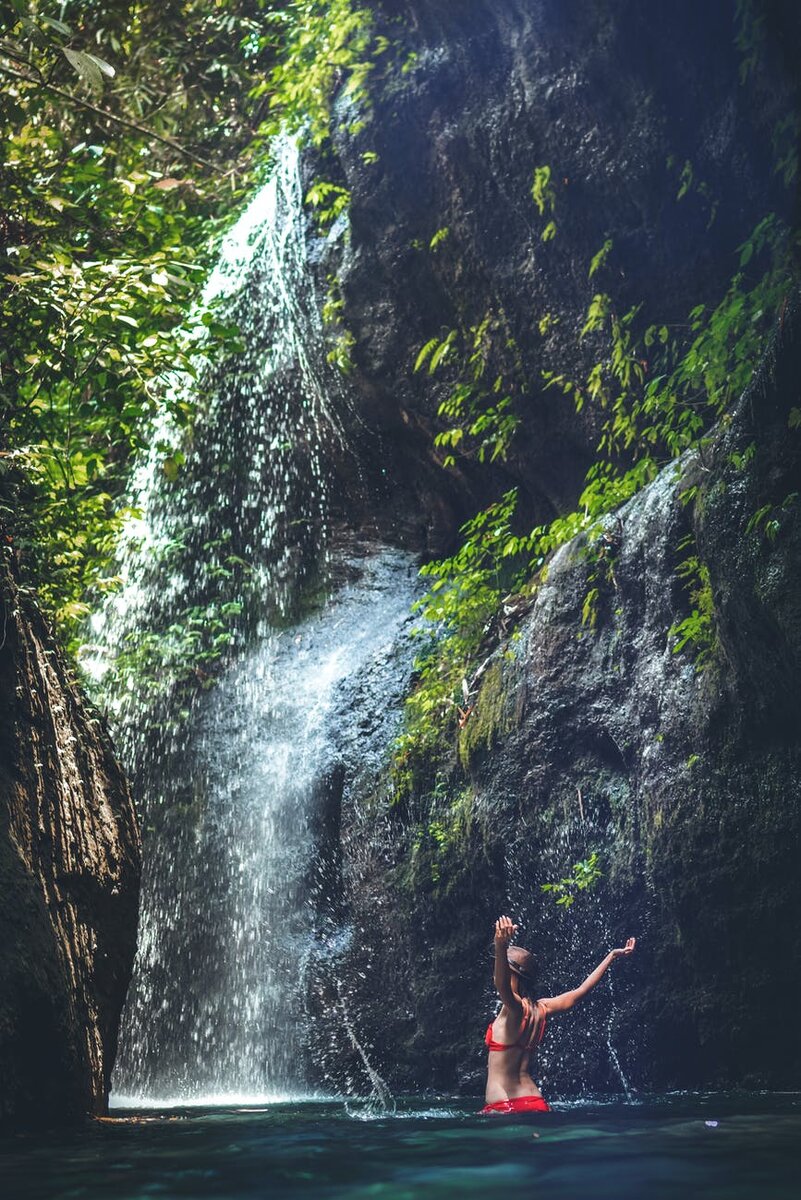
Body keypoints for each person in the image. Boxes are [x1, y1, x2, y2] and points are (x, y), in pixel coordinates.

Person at [482, 914, 636, 1114]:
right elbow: (579, 993)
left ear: (513, 975)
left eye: (500, 968)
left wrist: (500, 945)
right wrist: (612, 956)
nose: (495, 972)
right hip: (534, 1101)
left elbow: (501, 985)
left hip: (505, 1106)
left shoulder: (514, 1008)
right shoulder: (541, 1008)